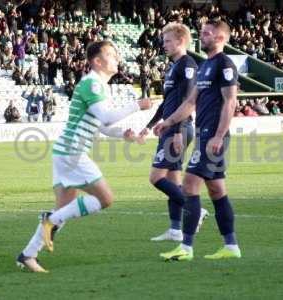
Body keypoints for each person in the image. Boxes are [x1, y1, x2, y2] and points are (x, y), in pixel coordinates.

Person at [16, 41, 152, 273]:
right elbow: (107, 118)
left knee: (64, 211)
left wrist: (124, 135)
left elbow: (103, 125)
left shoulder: (98, 85)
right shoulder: (92, 84)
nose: (117, 58)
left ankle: (28, 255)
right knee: (105, 199)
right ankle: (49, 219)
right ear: (97, 61)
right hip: (73, 152)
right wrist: (137, 105)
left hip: (65, 152)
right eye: (111, 54)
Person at [155, 20, 241, 261]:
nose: (202, 36)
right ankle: (231, 246)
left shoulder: (225, 64)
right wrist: (169, 122)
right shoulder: (205, 66)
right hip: (205, 135)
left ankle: (186, 247)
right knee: (216, 190)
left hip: (212, 137)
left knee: (189, 185)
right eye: (201, 33)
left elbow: (230, 102)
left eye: (207, 34)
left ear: (221, 38)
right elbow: (190, 102)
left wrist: (218, 135)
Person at [138, 23, 208, 242]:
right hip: (170, 127)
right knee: (173, 180)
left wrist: (176, 130)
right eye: (164, 40)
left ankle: (195, 210)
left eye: (168, 40)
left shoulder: (188, 65)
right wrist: (149, 126)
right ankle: (176, 230)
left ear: (180, 41)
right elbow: (167, 103)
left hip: (178, 128)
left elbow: (188, 101)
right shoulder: (173, 67)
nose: (164, 44)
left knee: (155, 177)